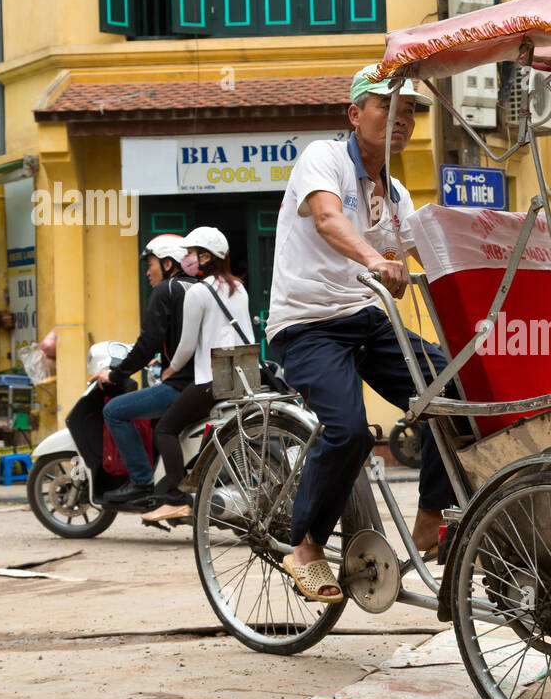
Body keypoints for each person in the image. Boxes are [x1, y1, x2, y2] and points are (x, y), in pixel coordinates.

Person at [266, 63, 452, 603]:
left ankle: (429, 522)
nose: (401, 120)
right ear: (355, 114)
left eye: (410, 111)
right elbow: (327, 219)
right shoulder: (323, 159)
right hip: (308, 324)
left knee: (454, 390)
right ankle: (304, 547)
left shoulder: (395, 193)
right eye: (387, 107)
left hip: (367, 320)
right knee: (348, 430)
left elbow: (427, 250)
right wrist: (376, 258)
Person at [141, 227, 252, 523]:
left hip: (211, 379)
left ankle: (175, 499)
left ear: (205, 257)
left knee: (164, 429)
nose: (187, 259)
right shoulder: (239, 288)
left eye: (190, 254)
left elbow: (186, 346)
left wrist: (170, 370)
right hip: (243, 376)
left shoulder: (199, 292)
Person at [91, 234, 198, 502]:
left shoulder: (165, 291)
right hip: (202, 381)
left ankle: (141, 482)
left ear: (169, 263)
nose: (147, 271)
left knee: (114, 410)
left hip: (181, 385)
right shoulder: (197, 287)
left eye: (150, 263)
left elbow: (148, 342)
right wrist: (162, 359)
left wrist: (116, 374)